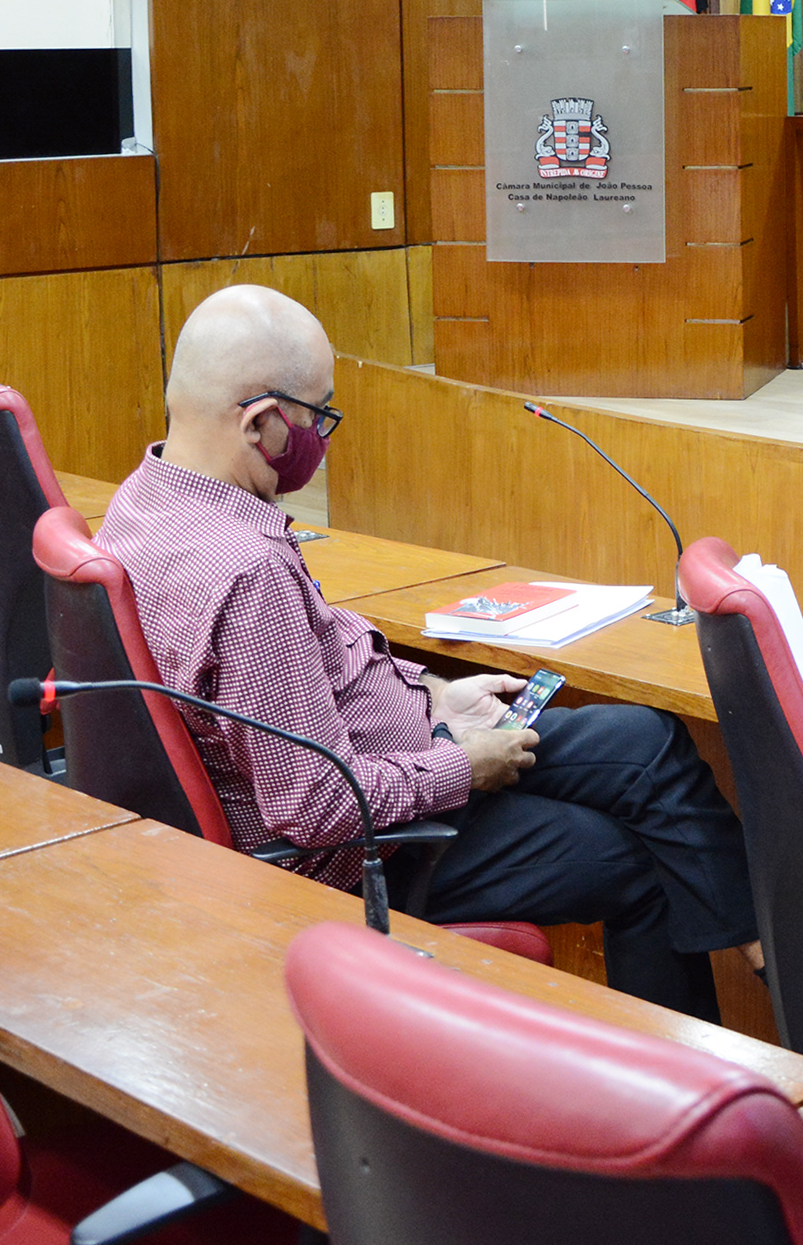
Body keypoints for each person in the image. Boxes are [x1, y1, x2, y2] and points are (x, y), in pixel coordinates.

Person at [96, 285, 758, 1020]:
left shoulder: (144, 499)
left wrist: (433, 694)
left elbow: (316, 652)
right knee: (634, 860)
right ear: (260, 423)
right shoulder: (247, 570)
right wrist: (461, 766)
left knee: (646, 740)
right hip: (361, 853)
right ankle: (722, 1054)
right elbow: (314, 806)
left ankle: (774, 961)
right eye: (319, 416)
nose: (323, 437)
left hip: (399, 747)